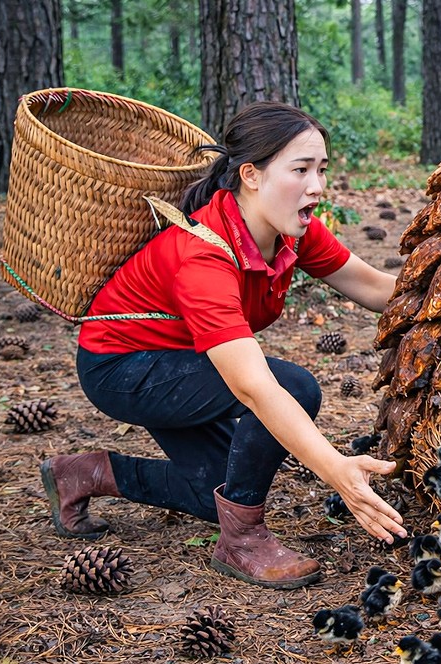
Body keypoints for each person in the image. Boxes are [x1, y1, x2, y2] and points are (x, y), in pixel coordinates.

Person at [39, 101, 406, 589]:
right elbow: (253, 387)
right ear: (251, 175)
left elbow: (376, 289)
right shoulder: (204, 257)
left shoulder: (292, 231)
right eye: (300, 170)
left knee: (215, 488)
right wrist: (336, 469)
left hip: (182, 359)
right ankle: (242, 539)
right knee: (293, 387)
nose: (318, 185)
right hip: (122, 367)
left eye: (322, 169)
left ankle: (83, 474)